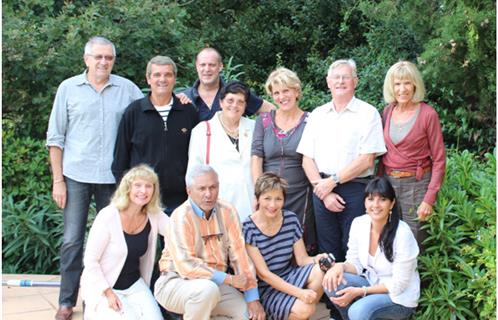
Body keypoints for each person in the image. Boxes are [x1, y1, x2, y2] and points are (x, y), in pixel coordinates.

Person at [46, 36, 144, 320]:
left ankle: (96, 300)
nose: (103, 62)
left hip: (113, 179)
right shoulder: (68, 89)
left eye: (109, 58)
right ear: (86, 59)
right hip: (75, 176)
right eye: (98, 57)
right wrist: (58, 180)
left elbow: (152, 107)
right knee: (72, 240)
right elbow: (55, 138)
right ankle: (66, 301)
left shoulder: (126, 89)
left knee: (110, 243)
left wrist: (182, 98)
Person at [296, 59, 386, 262]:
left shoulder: (368, 113)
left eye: (346, 77)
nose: (340, 81)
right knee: (326, 250)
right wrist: (324, 191)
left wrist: (333, 181)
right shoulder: (318, 115)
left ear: (356, 81)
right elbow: (306, 159)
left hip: (355, 189)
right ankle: (330, 293)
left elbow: (366, 160)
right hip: (321, 189)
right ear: (328, 82)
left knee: (353, 247)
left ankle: (356, 293)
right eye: (336, 77)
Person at [154, 165, 265, 320]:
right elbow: (187, 266)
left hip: (216, 285)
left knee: (247, 315)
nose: (208, 194)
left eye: (213, 187)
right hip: (175, 282)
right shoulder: (180, 216)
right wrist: (229, 279)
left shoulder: (227, 211)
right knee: (207, 291)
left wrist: (252, 297)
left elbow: (240, 255)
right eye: (202, 189)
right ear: (189, 191)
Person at [322, 177, 420, 320]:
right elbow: (354, 263)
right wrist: (340, 267)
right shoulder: (359, 223)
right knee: (332, 282)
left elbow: (399, 284)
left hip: (398, 297)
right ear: (364, 202)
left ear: (392, 204)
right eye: (370, 199)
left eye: (382, 199)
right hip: (372, 282)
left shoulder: (403, 234)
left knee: (358, 311)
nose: (376, 205)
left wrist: (360, 291)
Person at [112, 55, 199, 216]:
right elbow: (120, 157)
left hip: (181, 199)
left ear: (174, 78)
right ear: (148, 79)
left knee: (178, 242)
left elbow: (199, 154)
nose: (162, 79)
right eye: (157, 75)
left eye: (168, 74)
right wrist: (126, 192)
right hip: (142, 197)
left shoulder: (188, 112)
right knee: (143, 242)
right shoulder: (134, 112)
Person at [80, 164, 168, 320]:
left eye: (149, 186)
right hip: (105, 287)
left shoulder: (153, 215)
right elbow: (90, 261)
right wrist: (108, 293)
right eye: (138, 185)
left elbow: (177, 232)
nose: (143, 191)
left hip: (134, 285)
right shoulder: (108, 216)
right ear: (128, 188)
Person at [243, 173, 326, 320]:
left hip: (289, 276)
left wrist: (318, 258)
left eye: (278, 199)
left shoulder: (291, 219)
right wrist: (300, 293)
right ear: (257, 199)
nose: (273, 205)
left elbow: (302, 260)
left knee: (320, 270)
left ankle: (296, 309)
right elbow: (264, 274)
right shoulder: (248, 227)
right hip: (266, 287)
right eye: (267, 198)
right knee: (305, 309)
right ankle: (295, 309)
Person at [380, 61, 446, 244]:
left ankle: (417, 274)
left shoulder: (428, 114)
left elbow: (439, 160)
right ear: (391, 87)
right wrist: (378, 186)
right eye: (397, 84)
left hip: (417, 186)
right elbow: (382, 155)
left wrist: (429, 198)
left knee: (414, 241)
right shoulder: (387, 112)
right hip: (389, 185)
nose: (402, 89)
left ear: (415, 85)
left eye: (407, 83)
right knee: (389, 237)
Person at [251, 67, 316, 253]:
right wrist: (259, 193)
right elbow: (256, 157)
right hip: (269, 195)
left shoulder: (310, 120)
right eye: (276, 93)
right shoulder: (263, 121)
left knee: (300, 246)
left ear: (296, 91)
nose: (282, 97)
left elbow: (311, 158)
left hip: (301, 194)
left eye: (286, 90)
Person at [187, 81, 255, 221]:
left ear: (245, 106)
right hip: (219, 202)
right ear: (221, 102)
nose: (234, 105)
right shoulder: (202, 131)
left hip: (251, 201)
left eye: (240, 102)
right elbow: (193, 172)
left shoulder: (254, 127)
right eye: (230, 100)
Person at [177, 47, 275, 121]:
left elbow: (271, 110)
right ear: (196, 66)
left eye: (212, 65)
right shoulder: (184, 97)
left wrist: (260, 135)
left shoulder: (236, 93)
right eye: (203, 65)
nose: (207, 69)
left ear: (220, 66)